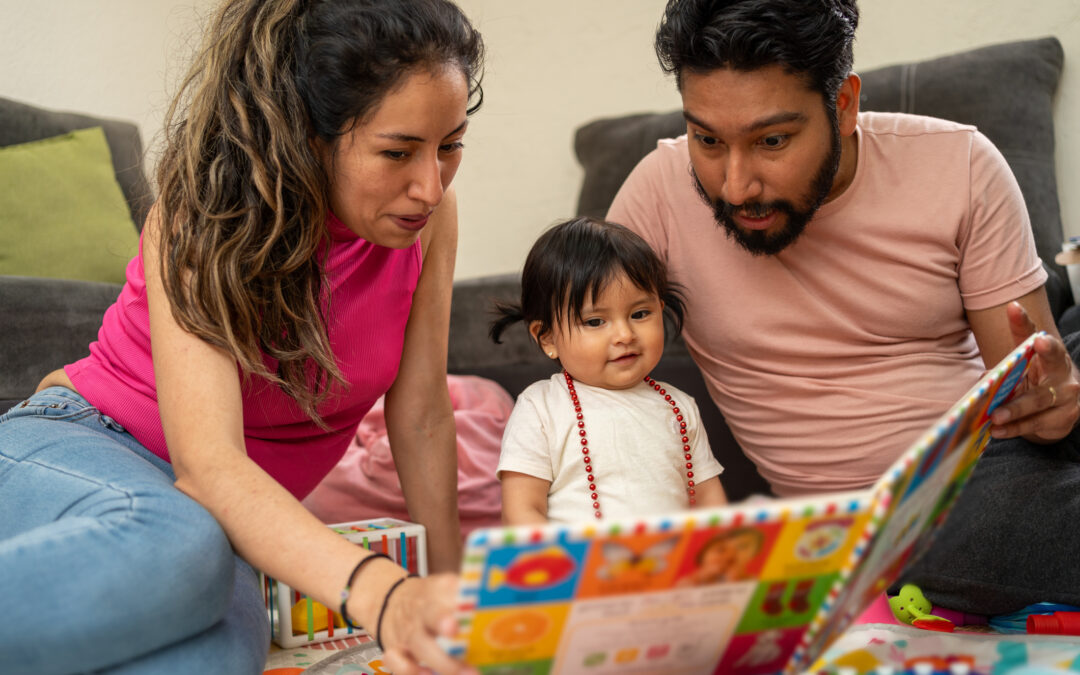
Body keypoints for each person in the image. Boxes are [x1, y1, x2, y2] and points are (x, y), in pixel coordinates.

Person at [0, 0, 484, 673]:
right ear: (309, 135)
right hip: (79, 448)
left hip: (206, 529)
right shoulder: (202, 208)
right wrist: (383, 593)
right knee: (183, 544)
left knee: (218, 655)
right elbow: (210, 467)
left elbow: (425, 410)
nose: (430, 185)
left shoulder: (430, 221)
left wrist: (452, 603)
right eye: (397, 151)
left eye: (451, 145)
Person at [607, 0, 1080, 616]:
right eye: (708, 140)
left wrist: (1056, 402)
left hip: (992, 463)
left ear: (845, 106)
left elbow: (1035, 402)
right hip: (889, 524)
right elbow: (584, 372)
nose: (735, 185)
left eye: (772, 140)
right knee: (944, 535)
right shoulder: (657, 195)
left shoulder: (960, 164)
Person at [489, 217, 728, 524]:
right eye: (595, 321)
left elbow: (709, 500)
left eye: (640, 314)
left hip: (671, 566)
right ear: (548, 338)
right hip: (582, 567)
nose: (625, 335)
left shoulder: (680, 407)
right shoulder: (541, 408)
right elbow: (523, 510)